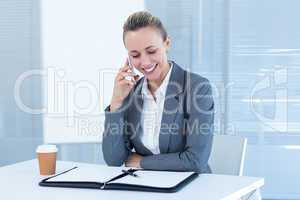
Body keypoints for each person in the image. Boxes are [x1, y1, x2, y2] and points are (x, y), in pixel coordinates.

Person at [102, 11, 214, 173]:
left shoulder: (198, 88)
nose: (145, 62)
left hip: (190, 187)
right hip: (146, 187)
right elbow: (114, 159)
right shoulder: (131, 92)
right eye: (135, 55)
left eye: (151, 51)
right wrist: (116, 103)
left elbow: (195, 160)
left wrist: (142, 162)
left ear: (167, 43)